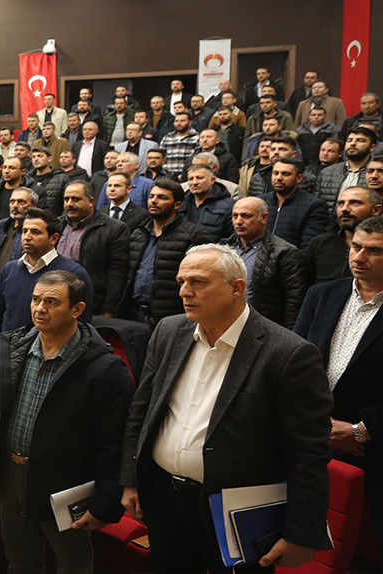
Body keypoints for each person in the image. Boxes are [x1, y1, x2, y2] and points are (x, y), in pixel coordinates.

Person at [121, 245, 332, 572]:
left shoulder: (288, 354)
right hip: (163, 498)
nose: (184, 291)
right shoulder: (168, 331)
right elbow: (142, 411)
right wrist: (130, 479)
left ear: (237, 288)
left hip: (237, 509)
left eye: (198, 282)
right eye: (181, 282)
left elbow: (307, 454)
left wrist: (301, 533)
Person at [0, 270, 133, 574]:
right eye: (35, 299)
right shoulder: (13, 346)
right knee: (19, 560)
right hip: (12, 471)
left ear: (77, 309)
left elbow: (114, 441)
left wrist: (106, 502)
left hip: (65, 483)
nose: (39, 308)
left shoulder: (105, 367)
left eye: (52, 302)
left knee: (72, 564)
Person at [294, 215, 383, 555]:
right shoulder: (321, 294)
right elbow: (295, 366)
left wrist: (361, 430)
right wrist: (316, 423)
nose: (359, 257)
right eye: (355, 246)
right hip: (314, 438)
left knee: (366, 548)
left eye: (374, 251)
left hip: (372, 448)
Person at [0, 207, 94, 335]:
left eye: (35, 232)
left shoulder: (73, 273)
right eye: (24, 231)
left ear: (53, 238)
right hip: (8, 345)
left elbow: (82, 326)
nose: (27, 237)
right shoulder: (9, 269)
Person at [126, 181, 213, 326]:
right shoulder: (138, 233)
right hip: (134, 315)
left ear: (177, 204)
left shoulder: (194, 235)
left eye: (162, 197)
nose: (154, 201)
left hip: (172, 317)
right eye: (151, 196)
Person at [227, 197, 305, 328]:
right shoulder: (223, 248)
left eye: (246, 216)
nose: (238, 221)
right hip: (225, 322)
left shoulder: (285, 253)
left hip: (261, 327)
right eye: (235, 216)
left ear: (264, 218)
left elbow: (293, 301)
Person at [59, 181, 130, 318]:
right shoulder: (57, 225)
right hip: (56, 300)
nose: (70, 204)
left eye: (75, 199)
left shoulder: (114, 229)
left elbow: (118, 274)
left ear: (91, 201)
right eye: (66, 199)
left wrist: (109, 309)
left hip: (92, 304)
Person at [305, 187, 382, 286]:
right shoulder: (320, 243)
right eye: (341, 203)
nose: (345, 209)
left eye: (355, 203)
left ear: (376, 210)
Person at [265, 157, 329, 248]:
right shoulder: (261, 201)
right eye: (275, 173)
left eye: (285, 174)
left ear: (299, 178)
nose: (279, 178)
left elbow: (309, 245)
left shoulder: (314, 205)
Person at [180, 164, 234, 239]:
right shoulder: (181, 203)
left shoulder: (230, 206)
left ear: (212, 180)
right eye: (191, 179)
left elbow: (233, 238)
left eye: (200, 178)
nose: (194, 182)